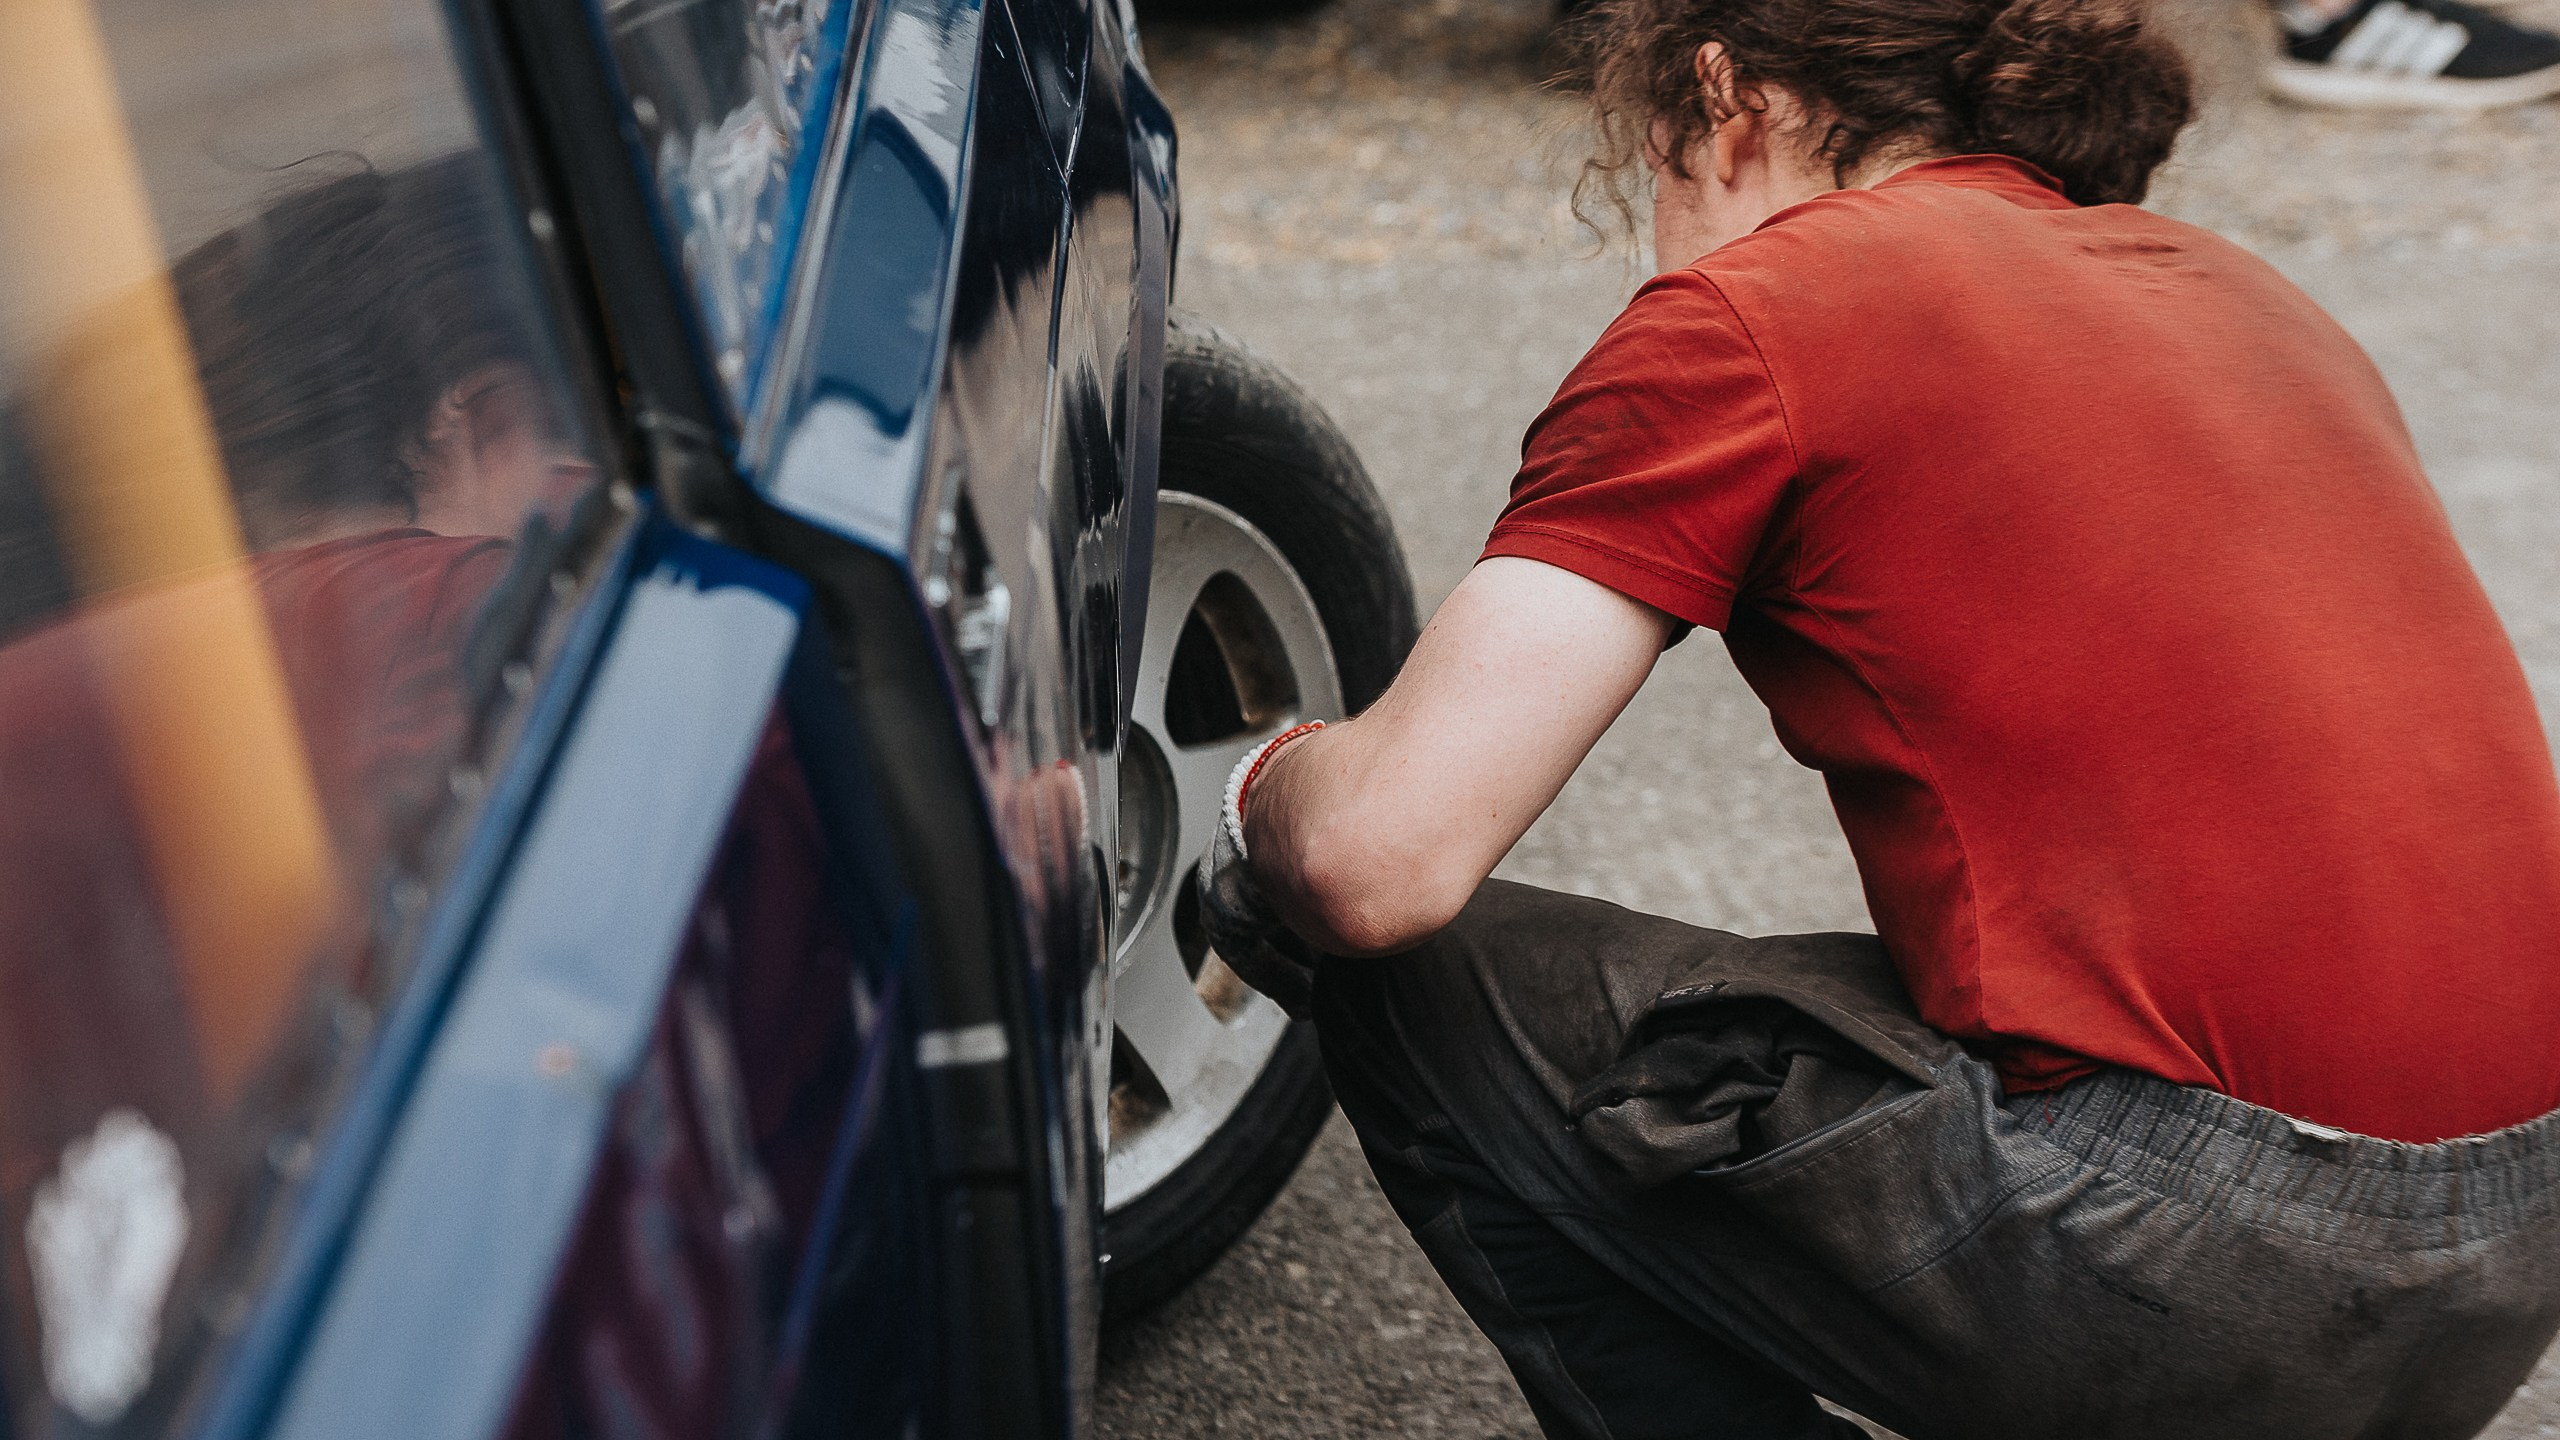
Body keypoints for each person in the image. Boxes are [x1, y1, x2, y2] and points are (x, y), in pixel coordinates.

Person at [1197, 0, 2560, 1435]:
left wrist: (1259, 782)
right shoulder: (2254, 294)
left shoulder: (1761, 310)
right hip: (2512, 1250)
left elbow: (1379, 859)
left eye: (1649, 172)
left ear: (1725, 97)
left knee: (1366, 950)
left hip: (2217, 1276)